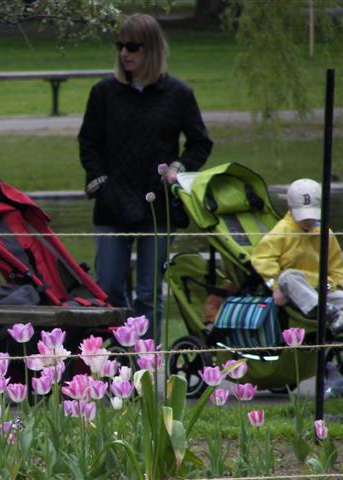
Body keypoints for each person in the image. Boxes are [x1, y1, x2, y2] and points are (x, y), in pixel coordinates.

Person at [78, 13, 213, 341]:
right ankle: (119, 356)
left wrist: (178, 169)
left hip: (157, 205)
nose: (125, 53)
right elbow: (89, 143)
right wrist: (101, 181)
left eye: (133, 47)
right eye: (120, 46)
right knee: (108, 287)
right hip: (112, 204)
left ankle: (145, 365)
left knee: (149, 294)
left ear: (151, 49)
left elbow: (199, 142)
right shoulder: (104, 92)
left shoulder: (178, 93)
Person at [252, 178, 343, 343]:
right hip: (294, 292)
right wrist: (275, 286)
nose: (308, 221)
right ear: (290, 208)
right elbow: (261, 259)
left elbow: (336, 267)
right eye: (304, 216)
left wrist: (334, 286)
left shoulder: (325, 233)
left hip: (321, 289)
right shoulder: (281, 231)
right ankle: (329, 313)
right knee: (288, 276)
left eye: (312, 216)